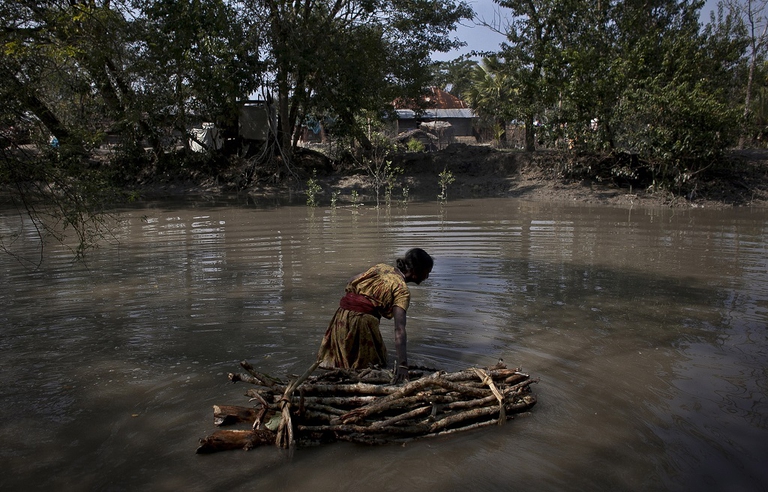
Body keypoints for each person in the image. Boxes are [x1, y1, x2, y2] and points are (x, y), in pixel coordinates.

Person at [317, 248, 433, 382]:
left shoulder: (381, 268)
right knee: (369, 369)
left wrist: (358, 301)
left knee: (341, 364)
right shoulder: (402, 290)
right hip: (362, 323)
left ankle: (332, 385)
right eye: (427, 272)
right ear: (416, 271)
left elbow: (352, 280)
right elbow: (399, 329)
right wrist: (403, 365)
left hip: (341, 316)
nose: (427, 277)